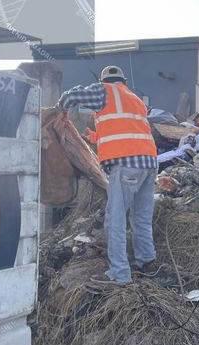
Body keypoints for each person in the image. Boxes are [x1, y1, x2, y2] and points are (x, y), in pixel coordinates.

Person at [57, 65, 158, 285]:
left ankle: (119, 274)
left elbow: (72, 95)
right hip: (149, 164)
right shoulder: (134, 99)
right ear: (123, 80)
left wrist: (61, 107)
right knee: (141, 217)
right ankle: (147, 263)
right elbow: (125, 132)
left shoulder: (105, 91)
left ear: (105, 81)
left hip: (126, 165)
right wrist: (94, 137)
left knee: (116, 219)